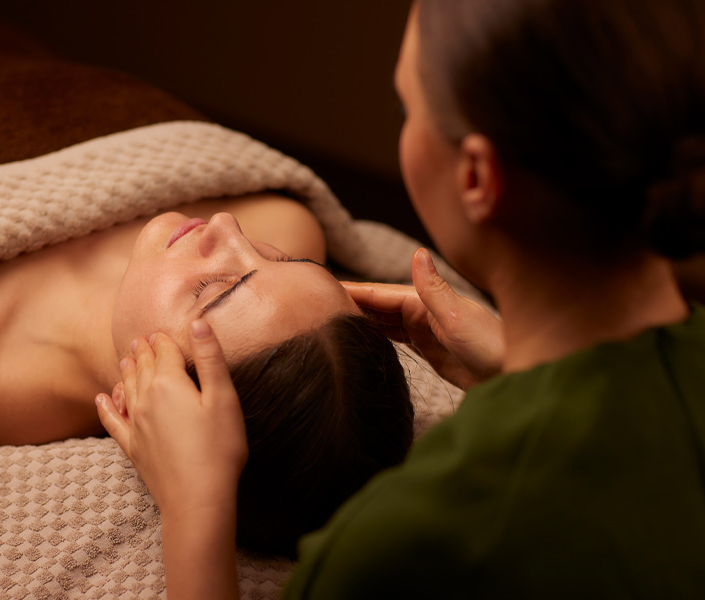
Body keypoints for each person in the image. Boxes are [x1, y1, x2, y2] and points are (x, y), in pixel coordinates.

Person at [96, 0, 705, 597]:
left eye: (405, 107)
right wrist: (516, 369)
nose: (226, 225)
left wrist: (195, 509)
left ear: (476, 179)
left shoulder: (404, 544)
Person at [0, 191, 415, 557]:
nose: (228, 227)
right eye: (290, 264)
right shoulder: (287, 220)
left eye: (214, 289)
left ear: (150, 405)